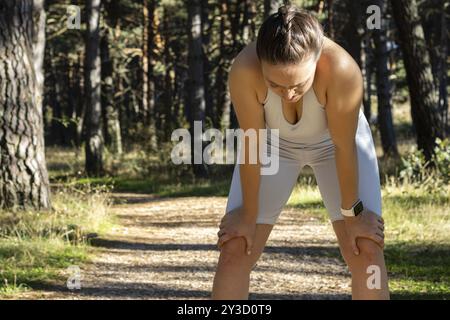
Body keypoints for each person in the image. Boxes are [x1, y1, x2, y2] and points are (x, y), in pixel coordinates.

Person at [211, 4, 389, 300]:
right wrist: (247, 214)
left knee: (366, 249)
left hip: (335, 146)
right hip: (271, 146)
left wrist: (354, 214)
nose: (289, 94)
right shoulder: (244, 69)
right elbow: (252, 142)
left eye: (298, 84)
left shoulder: (343, 70)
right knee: (236, 247)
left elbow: (345, 147)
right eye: (274, 85)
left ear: (318, 60)